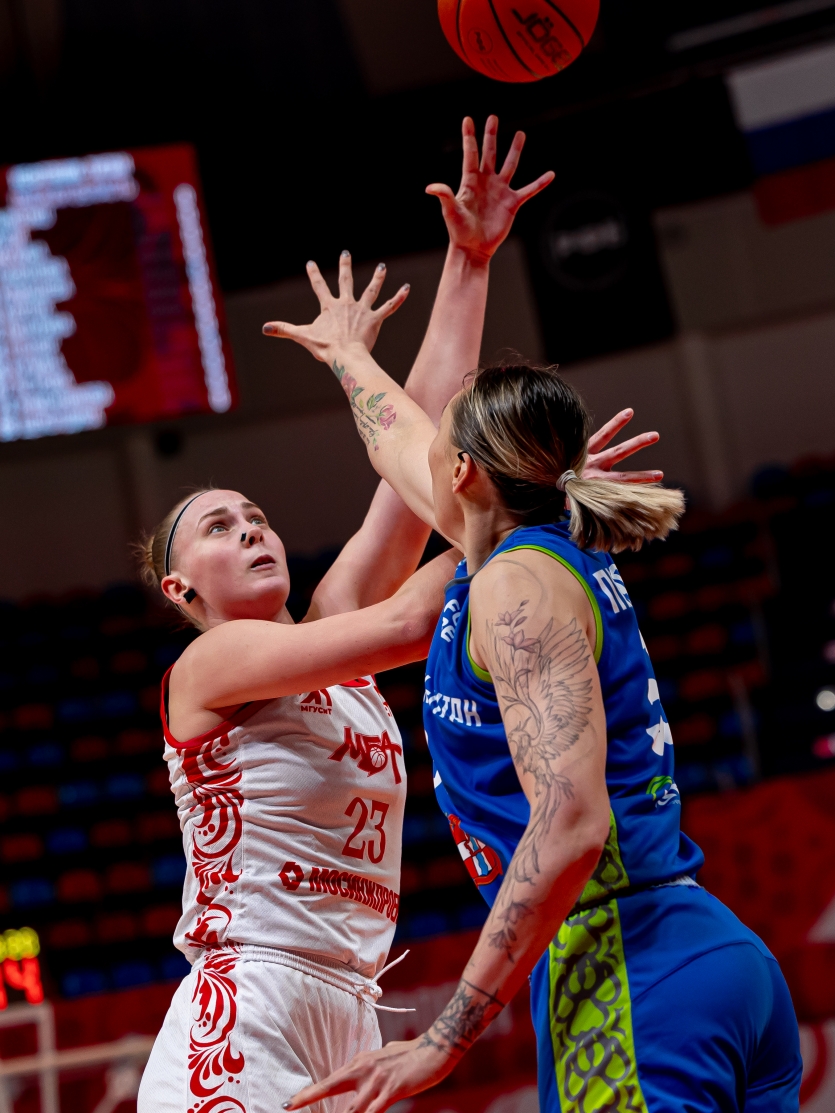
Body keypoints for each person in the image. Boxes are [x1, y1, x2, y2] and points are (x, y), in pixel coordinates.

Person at [137, 117, 659, 1113]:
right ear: (180, 590)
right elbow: (417, 607)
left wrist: (469, 264)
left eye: (255, 515)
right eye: (217, 526)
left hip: (349, 1004)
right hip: (249, 1002)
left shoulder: (321, 627)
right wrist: (538, 506)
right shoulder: (210, 667)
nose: (249, 527)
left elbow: (418, 465)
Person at [268, 266, 803, 1113]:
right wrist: (345, 353)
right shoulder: (518, 547)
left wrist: (444, 1039)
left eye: (442, 436)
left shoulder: (515, 587)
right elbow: (393, 436)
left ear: (464, 472)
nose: (421, 447)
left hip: (626, 970)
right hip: (692, 953)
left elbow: (570, 824)